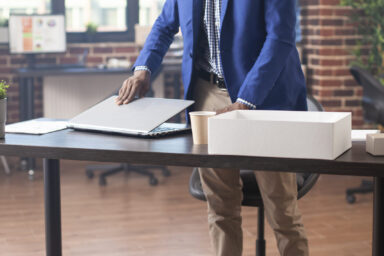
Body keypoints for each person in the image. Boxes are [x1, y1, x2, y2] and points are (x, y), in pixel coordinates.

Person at [116, 0, 309, 255]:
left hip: (264, 96)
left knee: (282, 210)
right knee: (220, 205)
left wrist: (246, 100)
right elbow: (164, 25)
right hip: (208, 94)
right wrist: (144, 68)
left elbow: (281, 38)